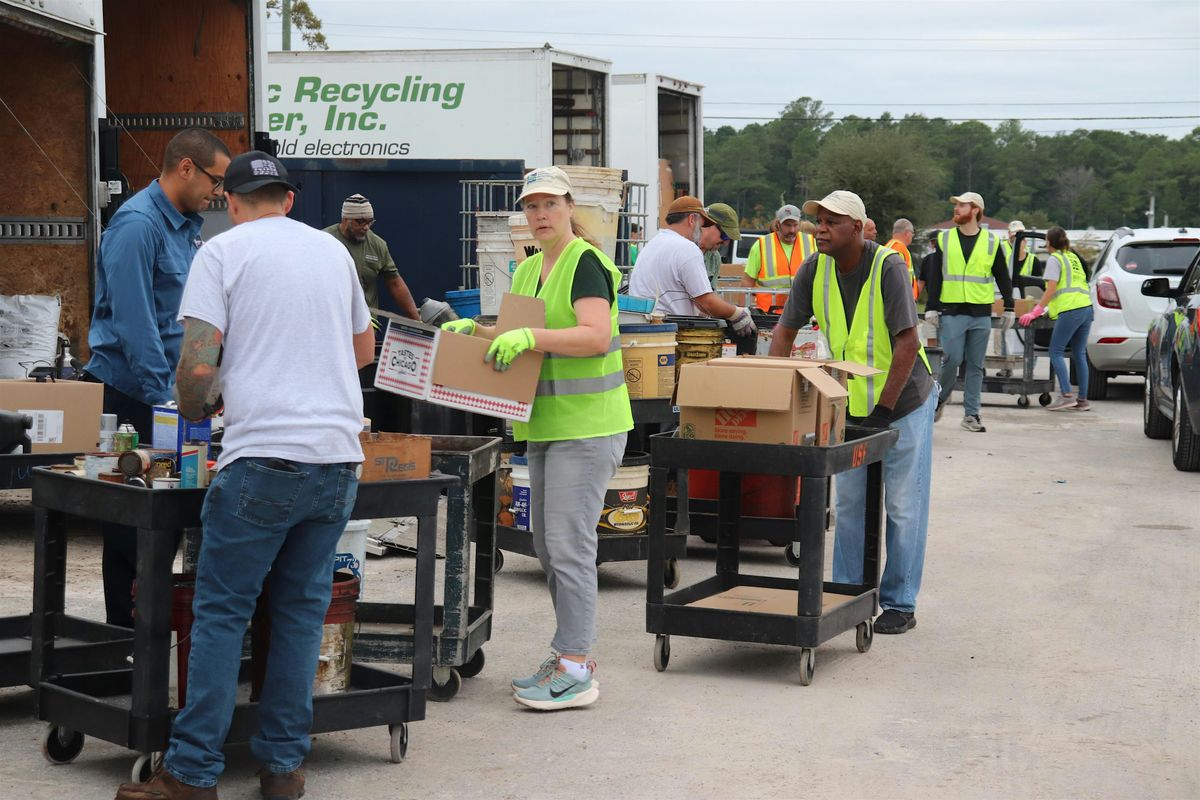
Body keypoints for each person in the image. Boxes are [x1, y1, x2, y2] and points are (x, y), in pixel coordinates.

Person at [114, 152, 374, 800]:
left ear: (229, 202)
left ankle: (193, 773)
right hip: (338, 460)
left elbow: (198, 370)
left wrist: (202, 409)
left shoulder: (220, 253)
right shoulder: (333, 253)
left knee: (223, 613)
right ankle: (283, 770)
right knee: (297, 614)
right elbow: (363, 350)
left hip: (264, 461)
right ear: (287, 200)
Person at [441, 166, 632, 710]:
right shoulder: (528, 270)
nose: (540, 214)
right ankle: (566, 654)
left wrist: (527, 334)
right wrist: (472, 331)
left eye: (550, 204)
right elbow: (514, 333)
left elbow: (594, 336)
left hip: (588, 426)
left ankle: (576, 665)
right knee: (550, 548)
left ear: (570, 207)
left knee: (569, 548)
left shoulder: (586, 263)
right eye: (531, 206)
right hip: (545, 425)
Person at [768, 190, 936, 635]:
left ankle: (899, 602)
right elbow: (784, 333)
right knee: (850, 505)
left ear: (858, 229)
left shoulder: (889, 267)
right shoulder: (813, 269)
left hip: (903, 404)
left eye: (831, 222)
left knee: (902, 506)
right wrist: (772, 398)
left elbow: (907, 343)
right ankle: (846, 596)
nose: (819, 228)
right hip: (850, 407)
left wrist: (883, 410)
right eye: (817, 221)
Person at [83, 128, 230, 628]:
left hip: (173, 397)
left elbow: (189, 321)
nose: (219, 193)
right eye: (216, 180)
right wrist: (166, 404)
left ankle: (159, 637)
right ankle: (126, 646)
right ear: (186, 167)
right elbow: (134, 326)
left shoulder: (185, 227)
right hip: (133, 397)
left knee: (168, 526)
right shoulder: (137, 226)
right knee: (135, 531)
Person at [923, 192, 1015, 432]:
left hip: (980, 312)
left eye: (961, 205)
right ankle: (940, 399)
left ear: (975, 210)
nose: (956, 209)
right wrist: (931, 307)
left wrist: (1009, 306)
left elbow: (1002, 276)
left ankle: (971, 414)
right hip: (952, 310)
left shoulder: (991, 243)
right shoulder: (944, 239)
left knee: (975, 365)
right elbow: (935, 276)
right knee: (952, 359)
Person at [628, 196, 756, 338]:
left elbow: (701, 303)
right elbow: (706, 302)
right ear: (691, 220)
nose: (701, 230)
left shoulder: (654, 243)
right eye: (702, 224)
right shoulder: (686, 248)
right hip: (667, 334)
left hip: (645, 331)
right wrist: (737, 314)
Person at [1020, 226, 1093, 411]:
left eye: (1046, 240)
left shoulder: (1054, 259)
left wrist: (1035, 311)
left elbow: (1051, 289)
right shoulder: (1073, 256)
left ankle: (1067, 395)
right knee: (1079, 353)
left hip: (1071, 309)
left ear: (1049, 242)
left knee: (1055, 351)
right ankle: (1082, 400)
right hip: (1086, 308)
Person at [325, 193, 420, 320]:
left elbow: (395, 283)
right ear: (345, 218)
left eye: (370, 222)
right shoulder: (324, 240)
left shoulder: (377, 245)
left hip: (366, 324)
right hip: (333, 319)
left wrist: (417, 321)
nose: (366, 227)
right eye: (360, 222)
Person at [741, 204, 817, 313]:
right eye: (787, 225)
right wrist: (741, 315)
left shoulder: (811, 243)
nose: (792, 230)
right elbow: (747, 282)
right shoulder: (762, 245)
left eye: (795, 225)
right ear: (778, 224)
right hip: (768, 316)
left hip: (804, 314)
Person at [702, 201, 741, 289]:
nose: (726, 243)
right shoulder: (680, 250)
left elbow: (711, 295)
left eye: (729, 239)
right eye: (725, 236)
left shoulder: (715, 258)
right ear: (707, 223)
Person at [884, 218, 917, 300]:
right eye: (912, 233)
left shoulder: (888, 246)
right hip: (902, 298)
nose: (912, 236)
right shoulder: (900, 249)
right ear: (907, 233)